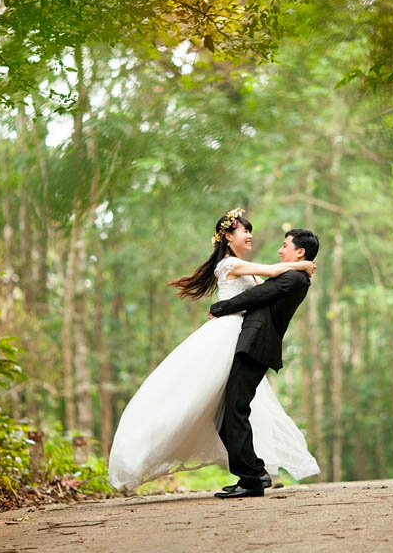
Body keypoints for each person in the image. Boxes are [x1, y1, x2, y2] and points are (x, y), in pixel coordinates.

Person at [107, 209, 320, 491]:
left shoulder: (245, 266)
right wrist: (303, 266)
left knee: (233, 407)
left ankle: (253, 473)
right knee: (216, 405)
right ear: (229, 236)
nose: (250, 235)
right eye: (245, 231)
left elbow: (264, 289)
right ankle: (251, 473)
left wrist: (300, 268)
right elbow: (272, 273)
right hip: (227, 337)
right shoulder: (229, 263)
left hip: (241, 338)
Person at [208, 227, 320, 498]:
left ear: (300, 252)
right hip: (253, 344)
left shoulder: (293, 277)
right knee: (231, 410)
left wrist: (220, 308)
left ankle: (251, 479)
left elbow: (254, 296)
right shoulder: (295, 275)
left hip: (256, 345)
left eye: (285, 246)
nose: (280, 250)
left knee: (234, 410)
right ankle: (255, 473)